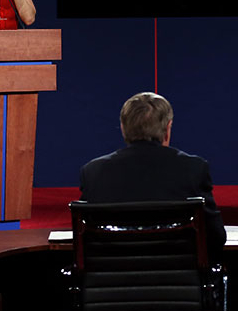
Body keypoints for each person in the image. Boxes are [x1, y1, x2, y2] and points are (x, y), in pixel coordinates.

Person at [79, 92, 226, 258]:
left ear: (123, 128)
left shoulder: (93, 172)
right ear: (168, 129)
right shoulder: (193, 169)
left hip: (112, 272)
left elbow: (86, 241)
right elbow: (216, 237)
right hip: (178, 272)